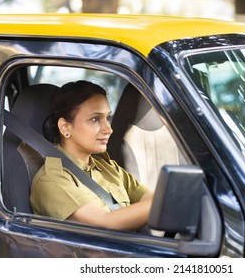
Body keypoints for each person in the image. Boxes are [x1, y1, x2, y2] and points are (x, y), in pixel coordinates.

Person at [30, 80, 153, 232]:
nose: (109, 129)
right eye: (95, 119)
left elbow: (151, 199)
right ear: (65, 127)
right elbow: (106, 224)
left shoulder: (108, 167)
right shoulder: (52, 180)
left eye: (107, 118)